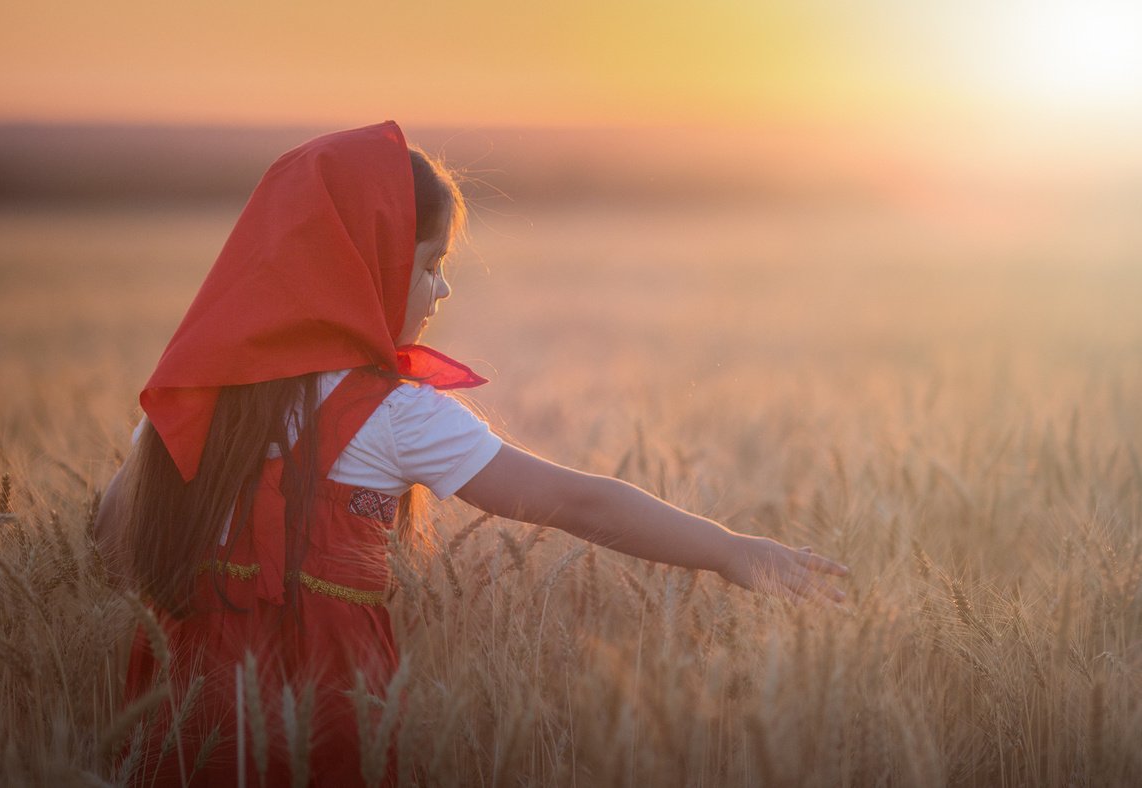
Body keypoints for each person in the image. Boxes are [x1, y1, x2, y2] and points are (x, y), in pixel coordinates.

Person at [95, 120, 849, 787]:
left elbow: (111, 524)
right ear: (360, 270)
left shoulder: (191, 397)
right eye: (428, 265)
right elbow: (577, 502)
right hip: (325, 705)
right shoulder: (393, 414)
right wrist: (727, 551)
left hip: (182, 697)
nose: (443, 287)